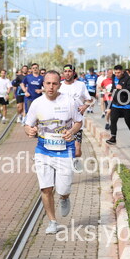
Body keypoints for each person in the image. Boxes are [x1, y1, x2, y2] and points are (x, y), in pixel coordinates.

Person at [24, 71, 83, 234]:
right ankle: (52, 222)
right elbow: (27, 125)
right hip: (43, 151)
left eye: (54, 83)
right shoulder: (37, 103)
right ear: (43, 84)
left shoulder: (69, 102)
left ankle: (64, 197)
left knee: (63, 189)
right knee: (46, 188)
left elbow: (78, 122)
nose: (51, 87)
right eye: (48, 83)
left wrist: (72, 131)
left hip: (65, 151)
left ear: (59, 85)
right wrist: (29, 131)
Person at [58, 65, 93, 171]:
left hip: (77, 122)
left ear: (73, 73)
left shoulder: (81, 85)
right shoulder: (59, 85)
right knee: (62, 148)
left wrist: (84, 106)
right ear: (63, 73)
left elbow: (89, 99)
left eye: (69, 71)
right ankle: (65, 167)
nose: (67, 73)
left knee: (77, 151)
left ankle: (75, 160)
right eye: (65, 71)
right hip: (62, 122)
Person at [105, 65, 130, 146]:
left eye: (119, 72)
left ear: (122, 72)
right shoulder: (114, 77)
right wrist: (111, 92)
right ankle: (113, 138)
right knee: (113, 120)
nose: (117, 74)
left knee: (128, 122)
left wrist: (122, 88)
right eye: (115, 72)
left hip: (125, 104)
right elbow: (114, 87)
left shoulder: (127, 78)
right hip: (115, 104)